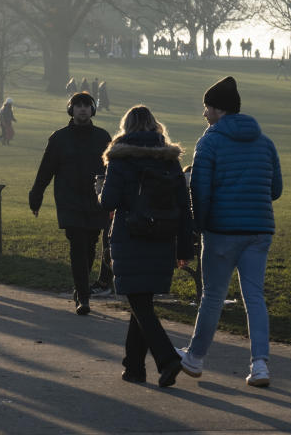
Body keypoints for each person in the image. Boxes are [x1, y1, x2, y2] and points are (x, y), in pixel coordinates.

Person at [177, 76, 282, 387]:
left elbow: (199, 191)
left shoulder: (209, 142)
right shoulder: (265, 142)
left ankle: (195, 358)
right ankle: (260, 364)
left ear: (218, 110)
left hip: (222, 230)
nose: (204, 113)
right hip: (259, 229)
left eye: (207, 107)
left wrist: (199, 225)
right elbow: (275, 189)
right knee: (254, 297)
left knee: (212, 296)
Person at [97, 105, 193, 387]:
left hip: (131, 238)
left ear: (126, 127)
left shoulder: (120, 157)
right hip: (163, 239)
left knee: (140, 303)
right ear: (155, 126)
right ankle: (134, 367)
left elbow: (109, 202)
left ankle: (167, 358)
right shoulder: (169, 160)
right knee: (141, 302)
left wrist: (99, 190)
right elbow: (184, 207)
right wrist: (184, 248)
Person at [29, 92, 111, 314]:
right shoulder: (59, 139)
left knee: (90, 245)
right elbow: (46, 170)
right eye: (78, 106)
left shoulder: (103, 137)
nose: (82, 109)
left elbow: (112, 170)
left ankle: (80, 286)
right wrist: (35, 196)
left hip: (96, 201)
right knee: (77, 244)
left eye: (86, 106)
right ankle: (83, 297)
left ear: (92, 110)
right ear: (71, 110)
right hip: (69, 200)